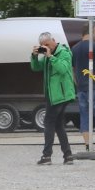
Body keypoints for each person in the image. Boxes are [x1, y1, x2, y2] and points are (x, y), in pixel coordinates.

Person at [30, 32, 76, 165]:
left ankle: (47, 156)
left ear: (54, 40)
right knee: (58, 124)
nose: (46, 47)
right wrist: (34, 56)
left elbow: (63, 69)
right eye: (43, 45)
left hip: (60, 95)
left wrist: (50, 56)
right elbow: (35, 68)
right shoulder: (46, 56)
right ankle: (68, 155)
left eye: (47, 44)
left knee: (49, 122)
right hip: (53, 95)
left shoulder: (64, 53)